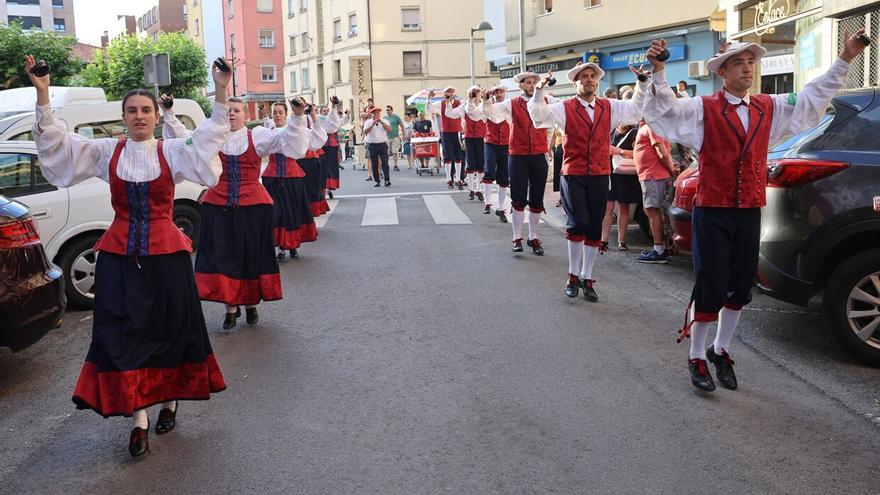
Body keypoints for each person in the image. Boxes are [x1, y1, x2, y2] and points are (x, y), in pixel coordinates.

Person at [27, 55, 230, 457]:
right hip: (120, 256)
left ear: (156, 116)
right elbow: (59, 146)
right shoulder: (107, 151)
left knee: (170, 329)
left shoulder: (173, 151)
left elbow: (209, 137)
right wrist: (43, 95)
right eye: (132, 111)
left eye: (145, 110)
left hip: (167, 256)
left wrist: (221, 89)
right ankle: (139, 418)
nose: (139, 116)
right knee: (123, 332)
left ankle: (168, 401)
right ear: (123, 117)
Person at [643, 33, 866, 391]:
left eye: (750, 62)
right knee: (710, 282)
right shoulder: (703, 108)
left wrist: (845, 57)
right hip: (713, 209)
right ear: (722, 72)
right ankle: (696, 355)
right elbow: (664, 111)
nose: (747, 69)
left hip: (749, 208)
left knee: (740, 284)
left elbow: (812, 97)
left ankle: (721, 349)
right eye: (739, 63)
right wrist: (658, 71)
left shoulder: (768, 106)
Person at [162, 95, 308, 330]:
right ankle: (230, 307)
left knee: (249, 255)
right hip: (219, 206)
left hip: (252, 207)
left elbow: (286, 139)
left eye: (236, 110)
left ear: (246, 116)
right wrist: (169, 113)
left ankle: (250, 304)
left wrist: (298, 116)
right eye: (228, 110)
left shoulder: (257, 136)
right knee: (223, 256)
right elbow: (184, 138)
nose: (231, 113)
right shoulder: (212, 137)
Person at [529, 62, 646, 301]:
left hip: (600, 174)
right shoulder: (564, 107)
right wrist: (539, 91)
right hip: (574, 173)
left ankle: (587, 277)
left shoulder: (609, 106)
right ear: (575, 82)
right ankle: (573, 275)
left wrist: (642, 84)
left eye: (592, 76)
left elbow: (636, 110)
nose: (589, 79)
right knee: (578, 223)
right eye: (584, 76)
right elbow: (539, 117)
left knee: (594, 227)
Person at [483, 72, 557, 255]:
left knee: (537, 198)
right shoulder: (512, 103)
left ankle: (533, 236)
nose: (531, 85)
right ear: (521, 85)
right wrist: (486, 101)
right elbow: (493, 114)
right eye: (528, 82)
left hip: (539, 154)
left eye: (534, 82)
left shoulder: (547, 100)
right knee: (518, 198)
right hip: (518, 155)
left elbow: (565, 110)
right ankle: (517, 237)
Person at [263, 101, 318, 261]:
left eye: (280, 112)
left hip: (292, 176)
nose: (277, 115)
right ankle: (280, 247)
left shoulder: (295, 130)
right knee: (276, 213)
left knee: (291, 211)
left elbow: (310, 143)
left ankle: (292, 244)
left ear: (286, 114)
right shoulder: (267, 132)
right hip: (272, 177)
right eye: (275, 112)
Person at [634, 120, 678, 264]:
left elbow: (663, 153)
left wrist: (672, 171)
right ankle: (661, 248)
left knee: (653, 211)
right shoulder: (652, 125)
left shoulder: (653, 125)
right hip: (652, 175)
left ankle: (659, 250)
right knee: (653, 212)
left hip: (653, 175)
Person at [601, 123, 640, 251]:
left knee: (624, 207)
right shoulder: (611, 130)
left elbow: (637, 153)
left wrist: (619, 151)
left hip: (625, 174)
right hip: (610, 172)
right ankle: (603, 240)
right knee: (608, 207)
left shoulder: (634, 132)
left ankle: (621, 240)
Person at [445, 85, 486, 202]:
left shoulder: (484, 105)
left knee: (481, 164)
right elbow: (451, 114)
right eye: (473, 92)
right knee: (470, 163)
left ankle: (479, 189)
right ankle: (471, 189)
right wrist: (448, 103)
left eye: (477, 92)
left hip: (482, 137)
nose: (475, 94)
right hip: (469, 137)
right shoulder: (464, 106)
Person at [476, 84, 510, 223]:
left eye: (501, 92)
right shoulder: (487, 107)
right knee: (489, 171)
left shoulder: (509, 106)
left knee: (504, 176)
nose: (500, 94)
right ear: (493, 94)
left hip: (506, 143)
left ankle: (501, 208)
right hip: (491, 142)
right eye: (497, 92)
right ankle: (487, 202)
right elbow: (480, 113)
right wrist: (485, 100)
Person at [426, 87, 465, 189]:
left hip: (456, 132)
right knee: (447, 156)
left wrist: (464, 128)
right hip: (446, 132)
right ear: (444, 94)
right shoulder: (441, 103)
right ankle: (449, 179)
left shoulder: (459, 103)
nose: (450, 93)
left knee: (458, 156)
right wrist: (429, 97)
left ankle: (458, 179)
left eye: (451, 91)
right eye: (448, 92)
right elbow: (429, 109)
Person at [320, 101, 348, 199]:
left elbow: (342, 122)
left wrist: (347, 115)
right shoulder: (319, 120)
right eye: (324, 111)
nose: (325, 112)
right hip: (322, 145)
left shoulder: (334, 120)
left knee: (331, 167)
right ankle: (323, 189)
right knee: (323, 168)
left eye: (327, 111)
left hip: (332, 145)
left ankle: (329, 188)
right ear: (321, 112)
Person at [364, 106, 392, 187]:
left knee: (385, 163)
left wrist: (382, 123)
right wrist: (372, 124)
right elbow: (365, 132)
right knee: (374, 164)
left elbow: (390, 129)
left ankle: (387, 180)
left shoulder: (384, 121)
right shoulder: (368, 122)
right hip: (372, 145)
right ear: (372, 114)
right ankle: (377, 181)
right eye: (375, 113)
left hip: (382, 144)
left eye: (378, 113)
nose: (376, 115)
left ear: (380, 114)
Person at [384, 105, 406, 171]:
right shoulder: (384, 118)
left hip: (395, 137)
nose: (387, 111)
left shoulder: (396, 117)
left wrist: (404, 135)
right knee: (386, 153)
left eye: (388, 110)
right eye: (386, 110)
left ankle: (395, 165)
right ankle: (385, 165)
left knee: (395, 152)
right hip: (387, 137)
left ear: (392, 110)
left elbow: (402, 126)